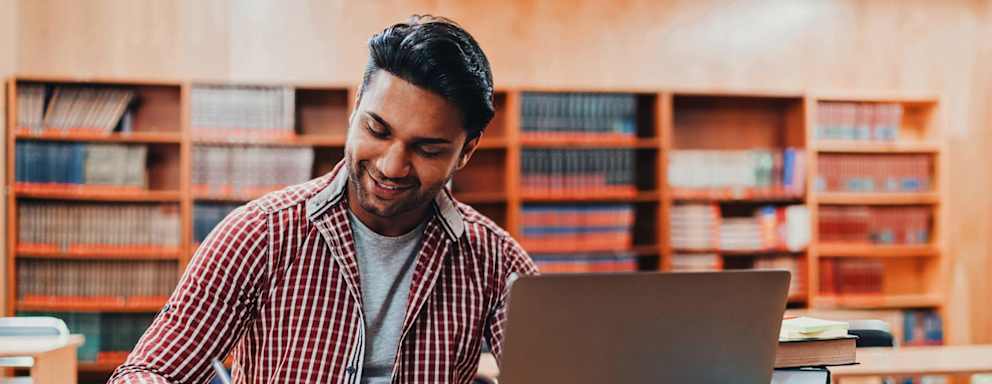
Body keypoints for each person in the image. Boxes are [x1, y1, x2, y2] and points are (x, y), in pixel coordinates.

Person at [110, 15, 537, 384]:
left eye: (427, 149)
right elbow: (149, 370)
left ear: (466, 151)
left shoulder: (496, 264)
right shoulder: (260, 234)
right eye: (378, 130)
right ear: (355, 109)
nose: (392, 166)